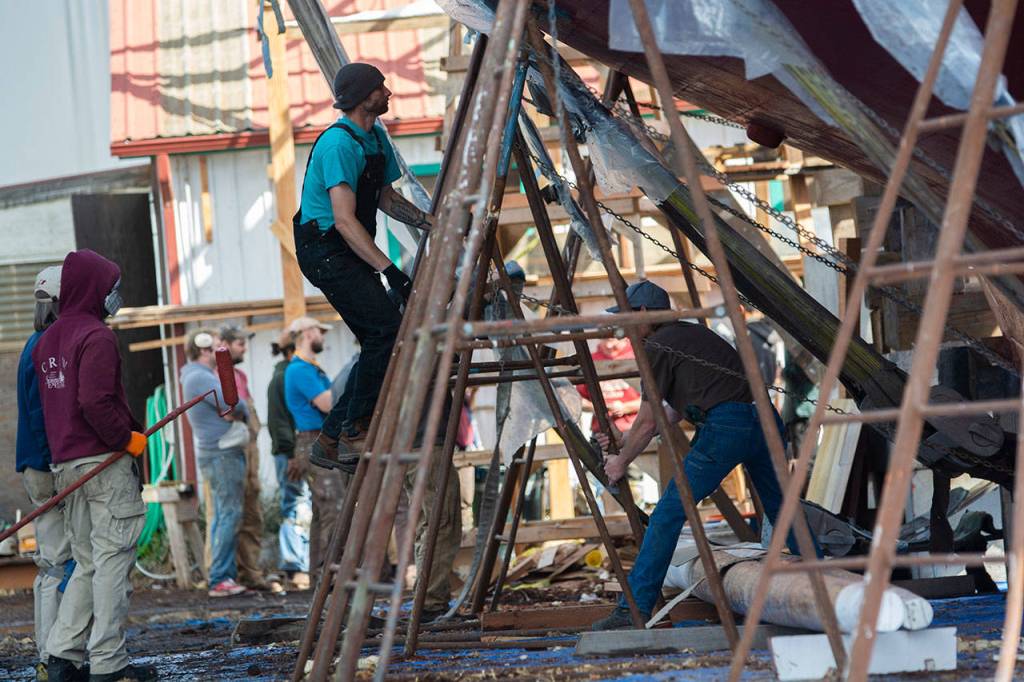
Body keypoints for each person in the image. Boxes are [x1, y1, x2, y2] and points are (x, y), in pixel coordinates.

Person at [590, 281, 802, 631]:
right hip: (764, 418)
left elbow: (648, 420)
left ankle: (635, 610)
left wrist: (620, 461)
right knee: (783, 510)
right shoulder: (688, 335)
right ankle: (817, 581)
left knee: (669, 513)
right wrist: (623, 439)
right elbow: (669, 415)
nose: (623, 328)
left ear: (643, 313)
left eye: (627, 317)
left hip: (728, 426)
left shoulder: (656, 345)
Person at [292, 61, 436, 469]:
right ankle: (352, 430)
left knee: (383, 335)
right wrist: (392, 271)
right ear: (361, 97)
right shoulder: (338, 145)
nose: (388, 92)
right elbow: (343, 219)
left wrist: (430, 222)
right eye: (380, 88)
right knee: (384, 332)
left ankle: (333, 438)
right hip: (325, 249)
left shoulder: (374, 140)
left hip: (348, 247)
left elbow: (386, 199)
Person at [34, 249, 156, 681]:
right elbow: (93, 401)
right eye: (111, 288)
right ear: (92, 288)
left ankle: (63, 656)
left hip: (67, 463)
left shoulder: (48, 340)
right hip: (103, 465)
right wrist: (127, 439)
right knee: (111, 561)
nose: (114, 296)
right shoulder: (96, 336)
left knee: (86, 561)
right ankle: (109, 664)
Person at [16, 266, 74, 681]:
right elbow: (42, 415)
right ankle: (53, 654)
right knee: (57, 563)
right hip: (48, 464)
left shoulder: (33, 344)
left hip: (38, 463)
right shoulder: (46, 348)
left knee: (52, 562)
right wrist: (60, 461)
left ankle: (50, 652)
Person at [180, 329, 250, 599]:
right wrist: (238, 410)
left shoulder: (196, 376)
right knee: (228, 514)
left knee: (224, 513)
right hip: (222, 452)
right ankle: (221, 577)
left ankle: (223, 575)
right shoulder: (200, 377)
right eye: (215, 346)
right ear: (204, 349)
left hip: (218, 452)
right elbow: (234, 402)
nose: (221, 349)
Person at [283, 317, 347, 579]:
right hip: (315, 440)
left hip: (313, 440)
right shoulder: (301, 370)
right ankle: (331, 572)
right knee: (333, 504)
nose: (323, 336)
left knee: (323, 509)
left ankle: (320, 572)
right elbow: (327, 404)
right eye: (320, 332)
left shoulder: (308, 368)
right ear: (308, 334)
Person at [217, 325, 269, 591]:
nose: (244, 348)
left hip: (250, 451)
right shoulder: (221, 375)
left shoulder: (241, 376)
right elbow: (228, 413)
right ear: (224, 343)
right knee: (232, 512)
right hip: (234, 451)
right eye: (239, 343)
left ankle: (250, 570)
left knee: (251, 509)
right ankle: (227, 574)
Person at [268, 329, 311, 590]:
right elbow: (280, 423)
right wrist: (292, 453)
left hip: (291, 450)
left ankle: (298, 563)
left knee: (299, 505)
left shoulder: (288, 374)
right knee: (295, 505)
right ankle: (295, 567)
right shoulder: (284, 377)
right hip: (289, 453)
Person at [576, 336, 642, 436]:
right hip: (602, 431)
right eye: (604, 339)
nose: (608, 345)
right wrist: (602, 408)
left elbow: (656, 399)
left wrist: (625, 407)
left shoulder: (638, 358)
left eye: (612, 340)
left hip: (637, 429)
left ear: (625, 337)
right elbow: (578, 401)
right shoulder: (590, 361)